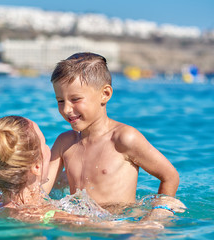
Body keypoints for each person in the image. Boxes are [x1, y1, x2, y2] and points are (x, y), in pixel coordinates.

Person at [42, 52, 182, 220]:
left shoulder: (123, 139)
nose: (66, 110)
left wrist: (158, 214)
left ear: (105, 94)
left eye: (75, 99)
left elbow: (170, 176)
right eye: (60, 101)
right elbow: (41, 189)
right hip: (80, 224)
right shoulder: (64, 142)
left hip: (119, 225)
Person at [0, 116, 173, 229]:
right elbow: (132, 231)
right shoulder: (53, 216)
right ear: (36, 166)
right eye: (45, 143)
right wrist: (161, 211)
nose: (49, 148)